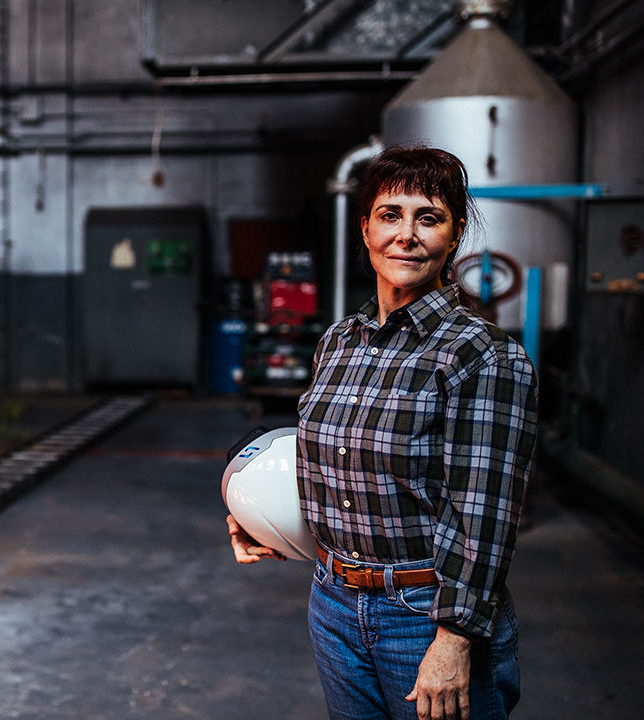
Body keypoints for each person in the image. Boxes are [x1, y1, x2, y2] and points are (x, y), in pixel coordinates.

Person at [227, 146, 538, 720]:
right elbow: (324, 459)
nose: (407, 235)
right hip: (334, 602)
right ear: (365, 227)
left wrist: (454, 640)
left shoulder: (482, 355)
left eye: (429, 217)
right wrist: (257, 515)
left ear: (455, 233)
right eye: (391, 215)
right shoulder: (339, 342)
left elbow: (486, 513)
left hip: (425, 615)